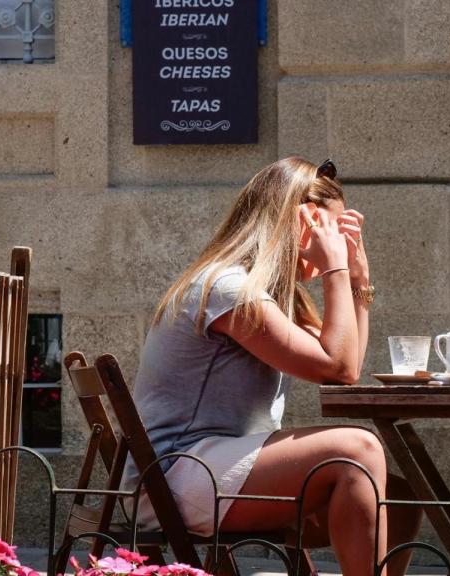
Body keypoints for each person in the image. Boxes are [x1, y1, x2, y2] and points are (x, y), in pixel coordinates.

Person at [122, 157, 419, 576]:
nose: (334, 242)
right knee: (359, 449)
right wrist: (335, 266)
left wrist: (357, 279)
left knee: (398, 498)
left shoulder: (270, 296)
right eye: (328, 230)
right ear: (298, 223)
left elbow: (342, 357)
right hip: (175, 479)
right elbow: (340, 368)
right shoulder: (228, 289)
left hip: (212, 470)